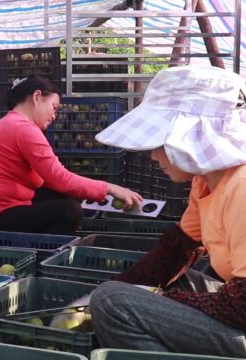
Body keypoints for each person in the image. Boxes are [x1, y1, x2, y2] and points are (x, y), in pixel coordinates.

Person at [89, 65, 246, 358]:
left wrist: (160, 299)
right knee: (159, 286)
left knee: (112, 303)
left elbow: (242, 305)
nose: (153, 155)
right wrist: (126, 286)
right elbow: (178, 249)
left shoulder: (242, 187)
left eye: (160, 142)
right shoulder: (207, 181)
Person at [0, 76, 141, 235]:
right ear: (37, 97)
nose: (54, 115)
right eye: (53, 107)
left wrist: (95, 192)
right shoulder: (23, 128)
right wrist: (110, 188)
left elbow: (50, 180)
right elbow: (59, 179)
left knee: (65, 196)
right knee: (70, 212)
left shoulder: (11, 124)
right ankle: (39, 256)